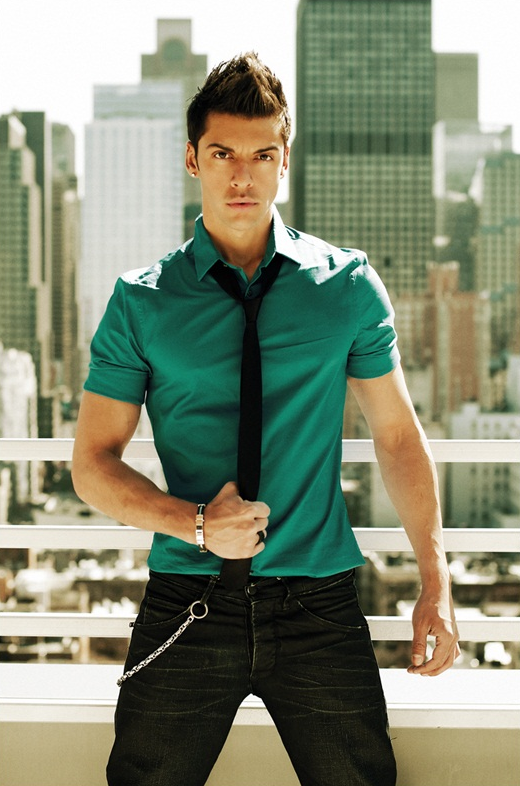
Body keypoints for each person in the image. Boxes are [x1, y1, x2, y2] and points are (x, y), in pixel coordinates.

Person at [72, 52, 460, 786]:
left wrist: (434, 581)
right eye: (223, 154)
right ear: (193, 159)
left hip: (319, 605)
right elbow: (92, 464)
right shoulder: (141, 301)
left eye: (261, 155)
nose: (242, 177)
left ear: (286, 158)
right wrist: (196, 525)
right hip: (187, 598)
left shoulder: (346, 286)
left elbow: (397, 437)